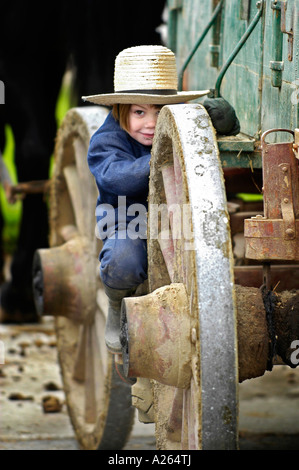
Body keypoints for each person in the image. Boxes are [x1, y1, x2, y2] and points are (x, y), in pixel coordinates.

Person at [82, 45, 208, 353]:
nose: (150, 124)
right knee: (124, 259)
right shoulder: (106, 141)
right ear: (120, 109)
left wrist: (217, 117)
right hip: (129, 220)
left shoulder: (176, 129)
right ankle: (116, 303)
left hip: (178, 220)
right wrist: (156, 160)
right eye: (139, 112)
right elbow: (115, 178)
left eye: (159, 112)